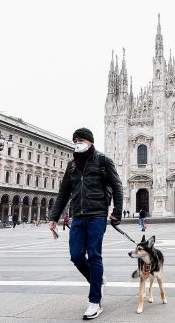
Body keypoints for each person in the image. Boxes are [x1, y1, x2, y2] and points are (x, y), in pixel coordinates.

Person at [48, 127, 123, 320]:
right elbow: (64, 192)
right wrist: (54, 217)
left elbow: (117, 186)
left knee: (94, 255)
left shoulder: (103, 161)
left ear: (90, 142)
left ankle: (94, 302)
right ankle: (97, 280)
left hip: (97, 214)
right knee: (76, 256)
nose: (77, 143)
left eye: (81, 140)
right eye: (75, 140)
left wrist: (116, 212)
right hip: (78, 216)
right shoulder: (71, 165)